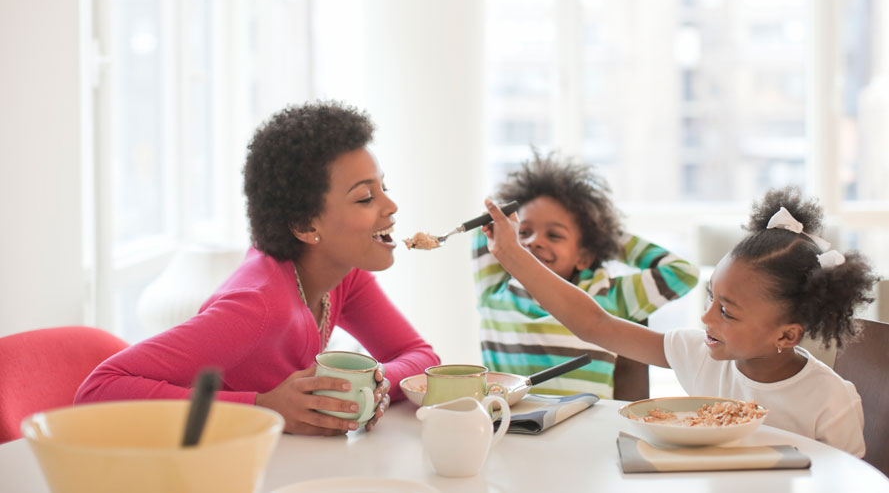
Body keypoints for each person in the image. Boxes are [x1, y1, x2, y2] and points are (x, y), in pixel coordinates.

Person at [76, 101, 440, 435]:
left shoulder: (343, 272)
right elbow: (96, 391)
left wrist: (374, 382)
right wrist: (264, 408)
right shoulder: (257, 308)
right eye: (365, 197)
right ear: (306, 226)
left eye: (384, 187)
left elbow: (423, 358)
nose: (391, 206)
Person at [482, 186, 879, 456]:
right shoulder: (700, 354)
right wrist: (513, 255)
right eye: (711, 298)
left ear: (788, 334)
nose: (706, 318)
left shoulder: (831, 402)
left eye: (726, 311)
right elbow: (596, 325)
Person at [473, 151, 699, 399]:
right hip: (512, 428)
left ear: (584, 255)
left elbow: (682, 272)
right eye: (524, 232)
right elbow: (485, 231)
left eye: (554, 235)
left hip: (586, 430)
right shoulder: (494, 289)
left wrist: (605, 235)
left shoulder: (610, 294)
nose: (535, 242)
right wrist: (511, 241)